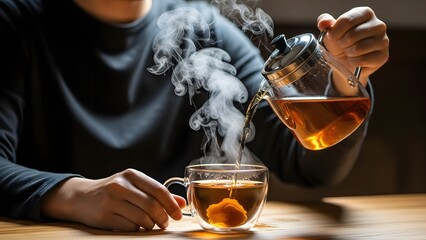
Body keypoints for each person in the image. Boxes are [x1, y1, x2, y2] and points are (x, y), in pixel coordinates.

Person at [0, 0, 389, 232]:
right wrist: (70, 194)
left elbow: (309, 163)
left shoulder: (204, 30)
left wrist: (344, 77)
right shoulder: (14, 22)